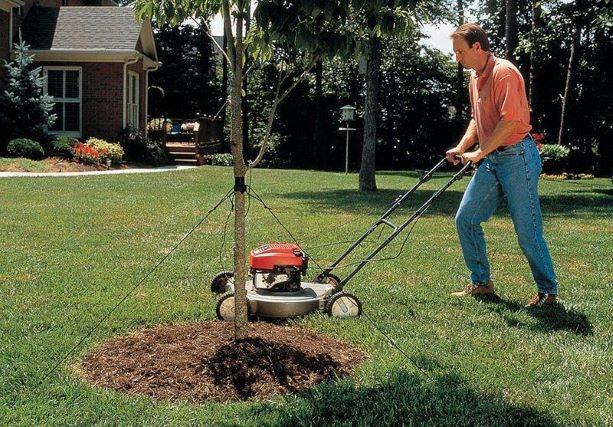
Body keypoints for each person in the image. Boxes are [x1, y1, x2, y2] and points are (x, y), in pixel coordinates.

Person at [446, 23, 558, 307]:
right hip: (493, 158)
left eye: (460, 52)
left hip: (517, 157)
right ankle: (481, 283)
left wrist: (481, 152)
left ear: (477, 48)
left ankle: (547, 291)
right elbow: (478, 119)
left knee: (527, 229)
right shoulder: (475, 77)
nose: (457, 58)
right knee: (466, 218)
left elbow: (511, 122)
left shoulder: (504, 73)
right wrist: (462, 147)